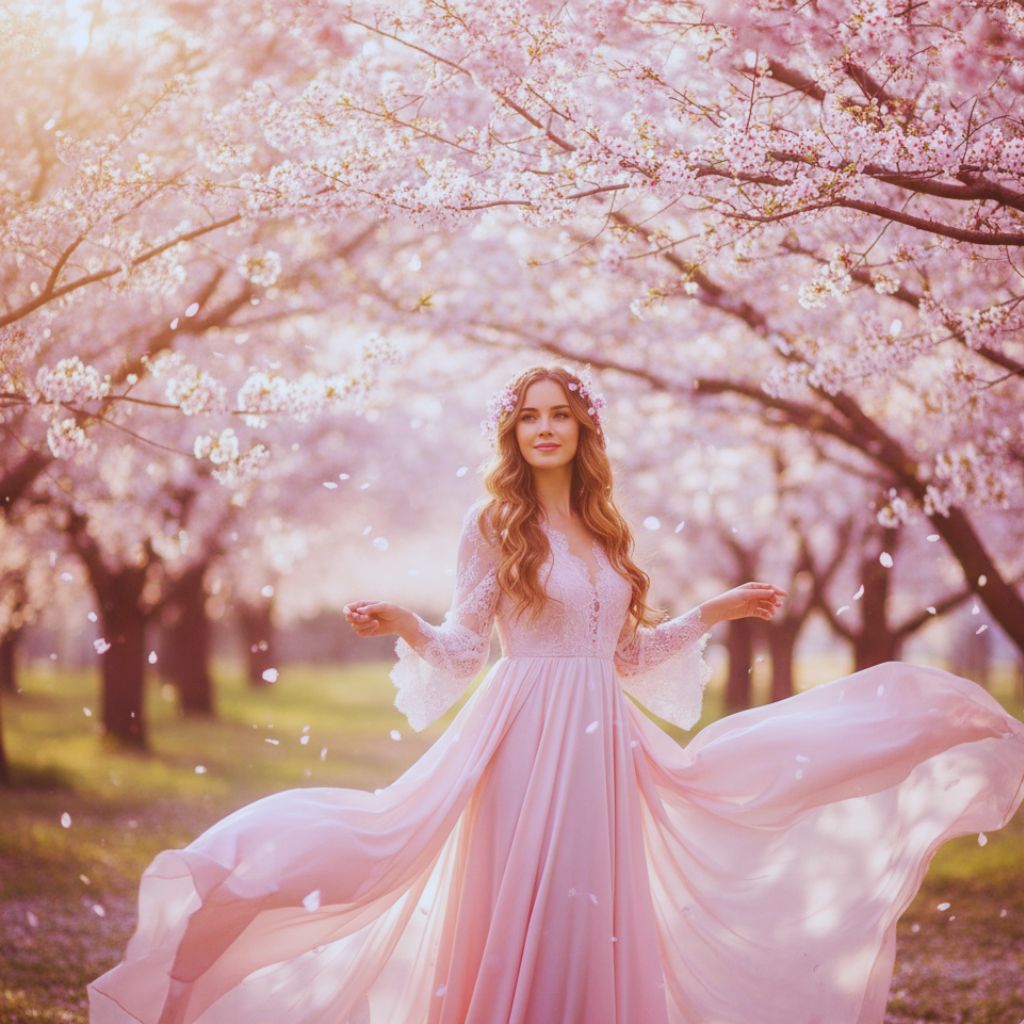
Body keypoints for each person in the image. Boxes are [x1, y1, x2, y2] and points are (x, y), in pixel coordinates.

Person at [88, 364, 1024, 1024]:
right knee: (489, 886)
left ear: (583, 431)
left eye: (560, 415)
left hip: (602, 742)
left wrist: (713, 612)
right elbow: (462, 648)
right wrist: (409, 627)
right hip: (519, 734)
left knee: (593, 905)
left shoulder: (607, 532)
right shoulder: (494, 522)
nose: (544, 427)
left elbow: (622, 654)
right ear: (513, 430)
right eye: (529, 414)